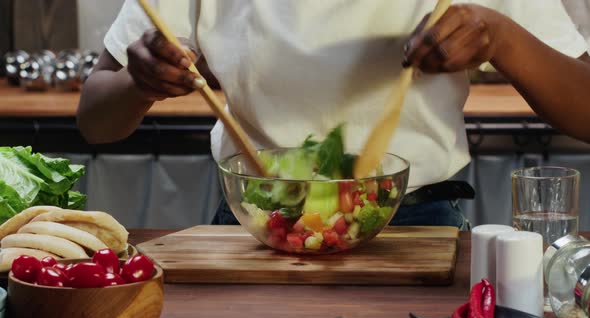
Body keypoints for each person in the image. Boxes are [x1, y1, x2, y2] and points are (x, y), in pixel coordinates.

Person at [77, 0, 590, 229]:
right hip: (257, 222)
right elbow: (96, 119)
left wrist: (498, 34)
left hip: (417, 224)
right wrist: (138, 82)